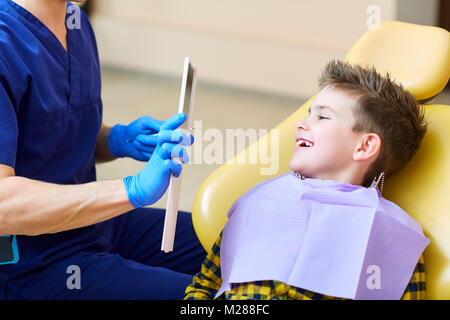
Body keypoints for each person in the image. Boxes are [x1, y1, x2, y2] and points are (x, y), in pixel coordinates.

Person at [0, 0, 206, 299]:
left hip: (95, 224)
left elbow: (48, 133)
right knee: (202, 300)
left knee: (239, 243)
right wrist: (130, 190)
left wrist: (115, 139)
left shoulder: (76, 22)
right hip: (32, 263)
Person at [184, 60, 429, 300]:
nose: (302, 124)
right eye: (308, 114)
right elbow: (205, 285)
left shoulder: (393, 237)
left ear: (365, 146)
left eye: (322, 117)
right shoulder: (261, 199)